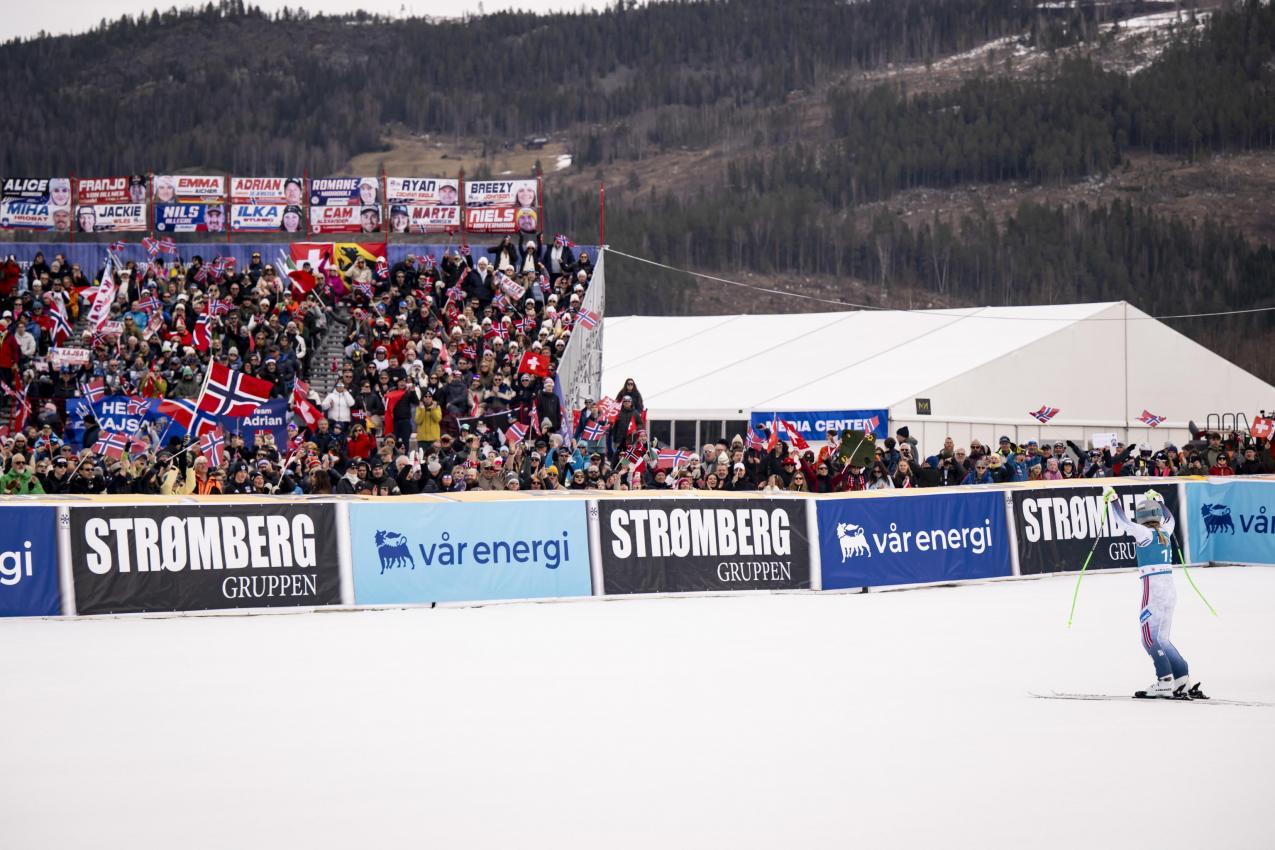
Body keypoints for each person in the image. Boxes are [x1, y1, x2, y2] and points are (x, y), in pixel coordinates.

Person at [1103, 486, 1205, 700]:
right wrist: (1159, 500)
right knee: (1162, 639)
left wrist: (1113, 499)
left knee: (1148, 638)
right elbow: (1169, 517)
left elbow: (1123, 521)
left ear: (1141, 517)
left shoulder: (1143, 533)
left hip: (1154, 589)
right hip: (1170, 589)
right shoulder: (1166, 529)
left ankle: (1164, 681)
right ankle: (1182, 679)